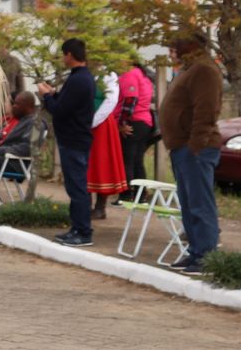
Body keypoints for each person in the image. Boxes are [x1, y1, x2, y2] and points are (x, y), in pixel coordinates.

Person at [159, 31, 223, 275]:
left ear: (191, 45)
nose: (171, 51)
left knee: (199, 203)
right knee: (188, 203)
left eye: (176, 46)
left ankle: (206, 256)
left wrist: (196, 144)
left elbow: (206, 110)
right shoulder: (191, 69)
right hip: (182, 147)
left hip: (196, 148)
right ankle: (196, 251)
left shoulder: (204, 70)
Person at [37, 38, 97, 247]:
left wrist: (46, 96)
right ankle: (77, 228)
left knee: (77, 187)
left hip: (74, 140)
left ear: (69, 55)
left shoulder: (79, 79)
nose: (63, 59)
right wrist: (55, 94)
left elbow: (59, 110)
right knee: (75, 186)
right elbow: (66, 103)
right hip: (75, 139)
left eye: (64, 54)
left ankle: (83, 231)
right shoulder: (81, 77)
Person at [88, 70, 128, 219]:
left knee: (101, 164)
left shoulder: (109, 75)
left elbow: (111, 100)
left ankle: (100, 207)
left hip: (101, 123)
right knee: (85, 164)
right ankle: (84, 206)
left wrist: (93, 121)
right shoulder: (85, 71)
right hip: (84, 123)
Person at [118, 56, 156, 199]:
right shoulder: (142, 75)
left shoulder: (130, 74)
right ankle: (141, 195)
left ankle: (126, 195)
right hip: (145, 122)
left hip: (133, 122)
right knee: (137, 161)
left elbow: (130, 99)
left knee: (127, 160)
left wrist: (122, 123)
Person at [0, 91, 38, 175]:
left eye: (17, 104)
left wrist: (2, 150)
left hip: (15, 164)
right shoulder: (23, 121)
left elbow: (28, 147)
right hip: (5, 158)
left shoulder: (36, 123)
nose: (14, 107)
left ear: (27, 106)